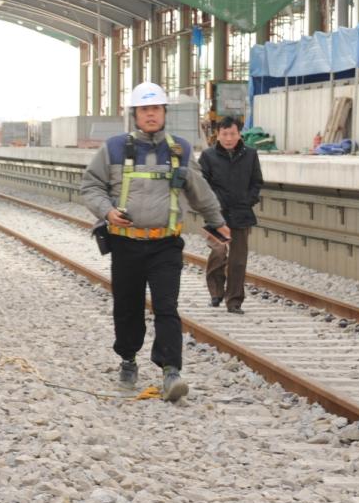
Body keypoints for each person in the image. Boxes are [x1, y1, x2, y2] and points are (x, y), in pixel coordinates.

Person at [80, 81, 229, 403]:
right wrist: (106, 211)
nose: (151, 115)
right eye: (145, 110)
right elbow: (90, 186)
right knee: (127, 306)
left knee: (167, 307)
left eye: (156, 109)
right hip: (126, 245)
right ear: (136, 114)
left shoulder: (180, 150)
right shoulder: (114, 148)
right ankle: (128, 359)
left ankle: (171, 370)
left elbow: (199, 191)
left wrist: (217, 221)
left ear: (164, 113)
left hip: (165, 245)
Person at [199, 116, 263, 315]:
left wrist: (249, 199)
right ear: (217, 135)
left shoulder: (250, 155)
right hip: (217, 215)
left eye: (232, 134)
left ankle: (234, 301)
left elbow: (257, 181)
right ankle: (216, 292)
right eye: (224, 134)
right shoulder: (208, 156)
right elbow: (202, 184)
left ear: (239, 134)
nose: (229, 138)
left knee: (238, 260)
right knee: (218, 252)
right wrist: (212, 206)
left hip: (242, 213)